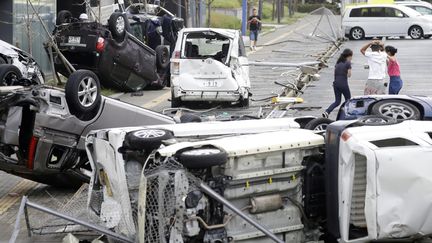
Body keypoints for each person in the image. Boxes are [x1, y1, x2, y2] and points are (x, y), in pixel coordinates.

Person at [322, 49, 353, 118]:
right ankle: (346, 114)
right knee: (348, 100)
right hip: (343, 84)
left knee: (337, 101)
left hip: (336, 84)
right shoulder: (348, 63)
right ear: (349, 56)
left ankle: (327, 111)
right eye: (351, 56)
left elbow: (335, 73)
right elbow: (349, 75)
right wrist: (349, 68)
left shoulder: (338, 63)